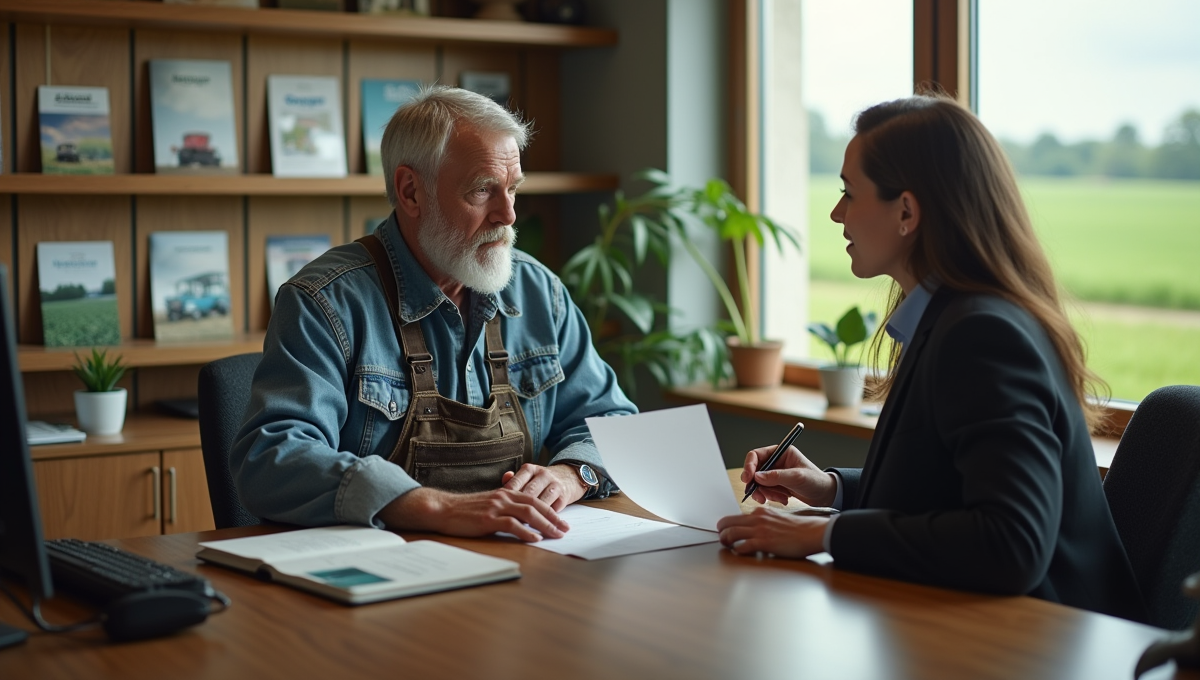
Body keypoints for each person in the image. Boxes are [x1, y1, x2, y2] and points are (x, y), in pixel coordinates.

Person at [716, 93, 1146, 622]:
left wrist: (822, 532)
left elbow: (1010, 543)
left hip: (1042, 644)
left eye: (849, 194)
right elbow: (951, 495)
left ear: (906, 211)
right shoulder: (951, 318)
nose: (836, 213)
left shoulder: (983, 334)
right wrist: (832, 489)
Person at [232, 86, 637, 543]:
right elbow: (270, 457)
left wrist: (570, 474)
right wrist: (433, 505)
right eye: (483, 190)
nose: (507, 215)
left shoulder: (540, 292)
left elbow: (615, 422)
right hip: (384, 572)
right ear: (410, 191)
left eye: (513, 189)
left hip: (519, 562)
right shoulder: (327, 301)